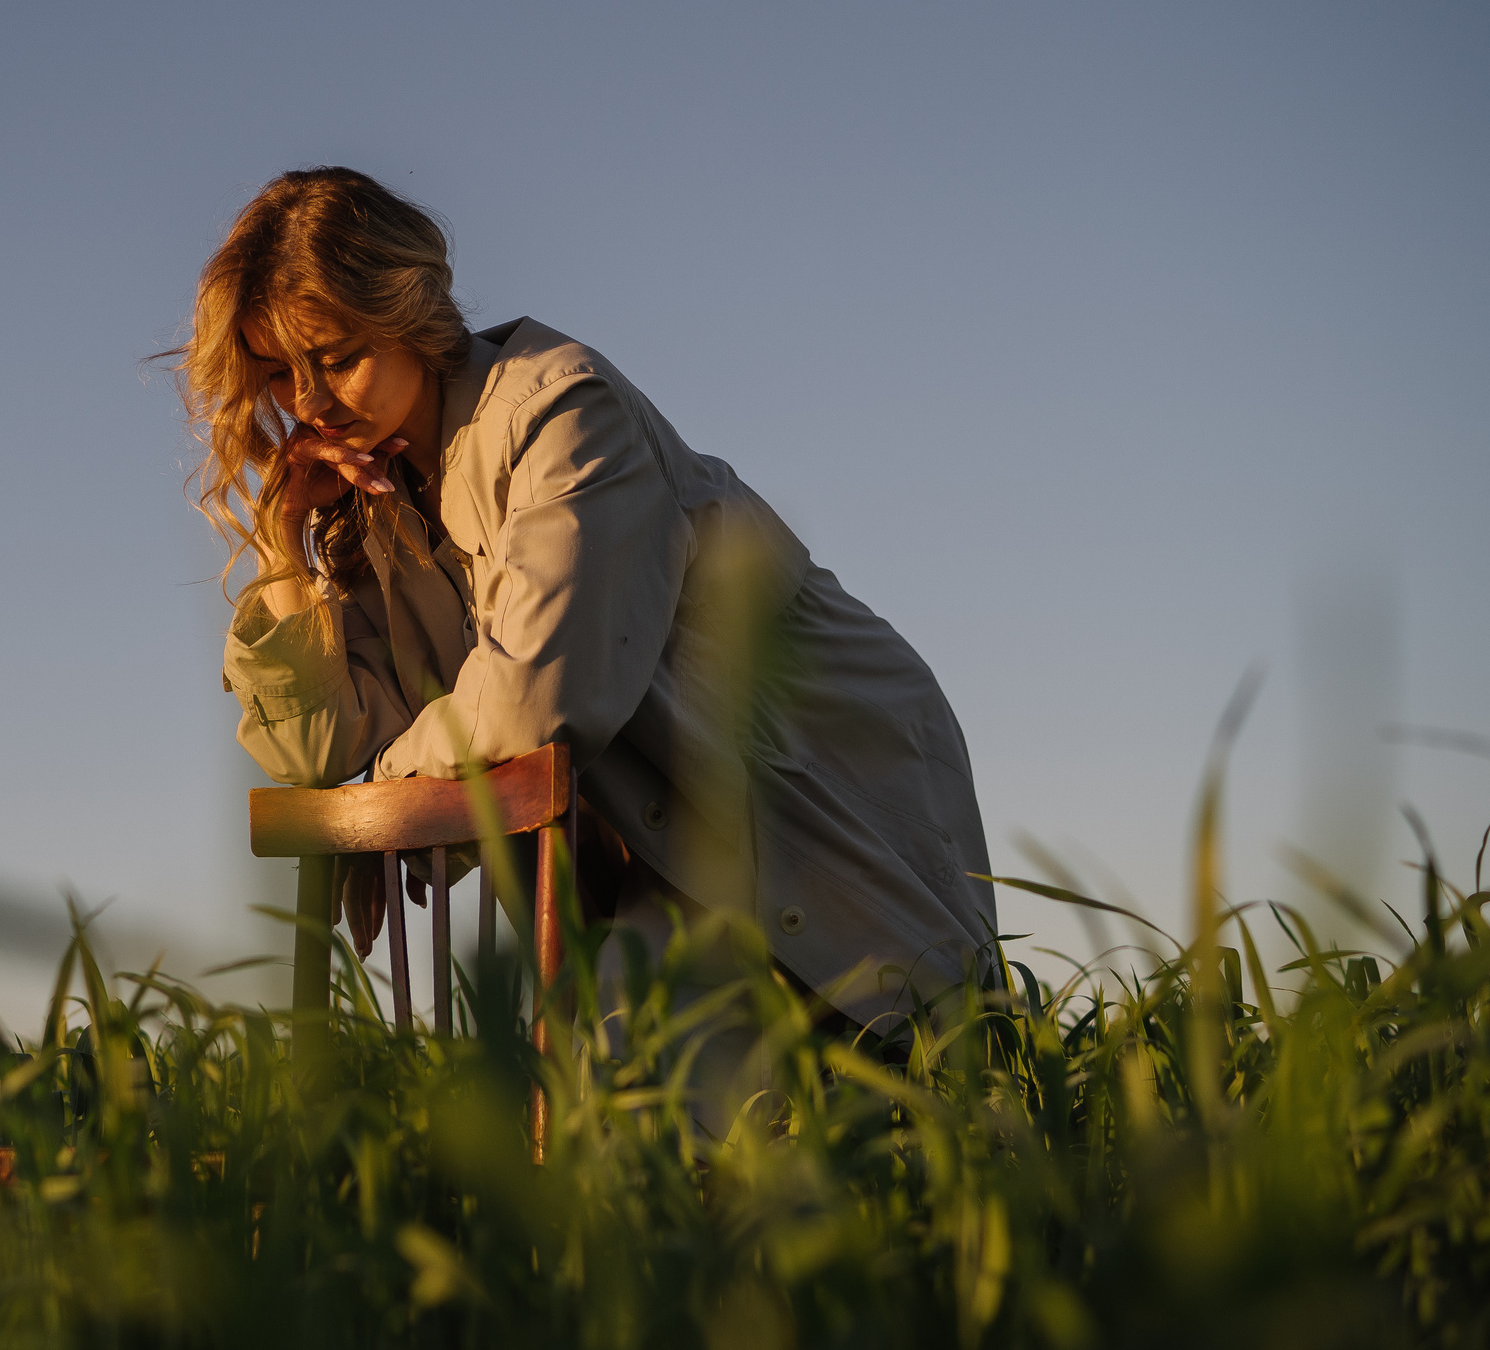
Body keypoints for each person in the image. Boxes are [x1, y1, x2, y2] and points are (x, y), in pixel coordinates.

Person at [179, 166, 994, 1050]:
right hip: (667, 847)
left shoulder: (562, 410)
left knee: (930, 1080)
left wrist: (380, 808)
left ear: (408, 310)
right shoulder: (372, 506)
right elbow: (314, 748)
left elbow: (537, 696)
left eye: (335, 358)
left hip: (814, 782)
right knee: (644, 1112)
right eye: (275, 373)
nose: (305, 403)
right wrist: (281, 539)